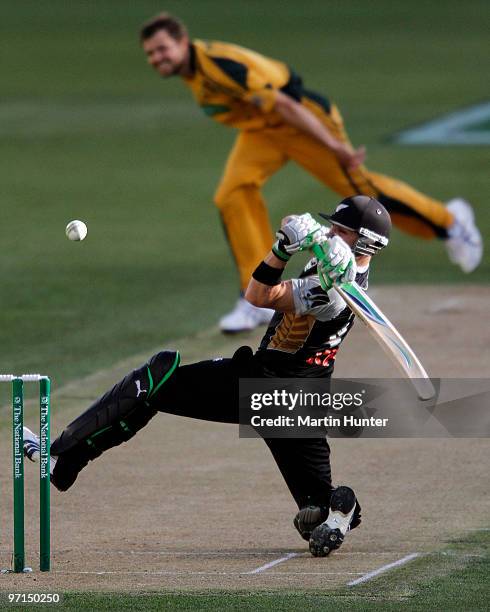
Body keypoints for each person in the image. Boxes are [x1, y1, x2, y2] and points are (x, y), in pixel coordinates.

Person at [23, 195, 392, 557]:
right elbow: (302, 230)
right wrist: (303, 233)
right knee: (316, 511)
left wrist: (280, 251)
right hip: (306, 400)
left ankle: (62, 460)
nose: (330, 232)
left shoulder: (333, 293)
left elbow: (258, 294)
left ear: (362, 242)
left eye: (339, 230)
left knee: (159, 377)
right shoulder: (344, 269)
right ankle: (342, 509)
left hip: (263, 385)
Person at [138, 12, 482, 333]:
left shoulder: (217, 66)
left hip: (302, 122)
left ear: (183, 41)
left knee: (365, 194)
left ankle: (450, 222)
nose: (157, 59)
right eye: (151, 54)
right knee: (233, 193)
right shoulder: (193, 71)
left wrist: (335, 147)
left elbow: (287, 104)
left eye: (163, 49)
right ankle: (256, 294)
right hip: (264, 132)